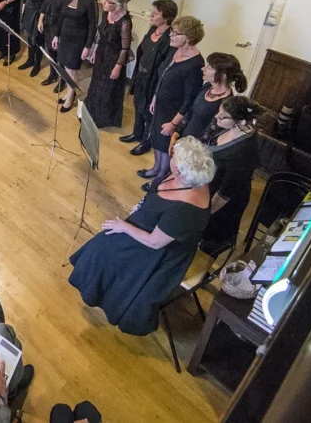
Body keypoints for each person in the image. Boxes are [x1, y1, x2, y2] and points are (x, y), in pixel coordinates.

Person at [68, 136, 214, 335]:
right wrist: (143, 206)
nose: (170, 155)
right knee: (101, 245)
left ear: (179, 171)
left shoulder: (186, 211)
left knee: (102, 252)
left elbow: (155, 242)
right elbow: (158, 196)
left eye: (174, 156)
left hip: (159, 253)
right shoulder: (188, 178)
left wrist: (124, 227)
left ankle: (104, 296)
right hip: (151, 229)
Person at [142, 16, 205, 181]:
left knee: (165, 146)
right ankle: (156, 168)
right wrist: (155, 97)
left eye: (176, 33)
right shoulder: (174, 50)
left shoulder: (195, 64)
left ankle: (161, 177)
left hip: (173, 111)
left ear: (189, 37)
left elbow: (190, 98)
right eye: (172, 32)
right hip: (161, 105)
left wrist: (174, 123)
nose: (171, 35)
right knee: (156, 139)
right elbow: (163, 75)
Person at [202, 96, 260, 252]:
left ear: (240, 121)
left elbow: (226, 193)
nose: (217, 117)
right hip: (211, 187)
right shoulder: (229, 127)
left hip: (224, 203)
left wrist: (205, 216)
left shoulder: (244, 152)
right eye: (219, 111)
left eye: (223, 116)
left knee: (210, 239)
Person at [123, 0, 179, 155]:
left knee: (148, 112)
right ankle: (137, 133)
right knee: (137, 105)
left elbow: (165, 64)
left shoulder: (168, 38)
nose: (151, 15)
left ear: (166, 17)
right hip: (141, 76)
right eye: (152, 11)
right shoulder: (152, 30)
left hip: (153, 82)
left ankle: (145, 142)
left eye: (156, 13)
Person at [51, 0, 98, 111]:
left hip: (78, 41)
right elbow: (60, 17)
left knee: (71, 69)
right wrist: (56, 35)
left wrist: (88, 46)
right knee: (65, 67)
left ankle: (70, 97)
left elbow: (93, 25)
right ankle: (69, 92)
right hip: (64, 37)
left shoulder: (90, 1)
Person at [84, 0, 133, 129]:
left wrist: (118, 66)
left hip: (114, 59)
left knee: (108, 88)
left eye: (108, 1)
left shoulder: (125, 23)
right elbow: (100, 34)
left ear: (117, 5)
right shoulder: (106, 13)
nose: (104, 3)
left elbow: (125, 48)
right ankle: (91, 113)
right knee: (96, 83)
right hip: (101, 54)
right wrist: (94, 50)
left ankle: (103, 118)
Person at [38, 0, 76, 88]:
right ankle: (52, 74)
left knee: (61, 54)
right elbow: (45, 3)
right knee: (51, 52)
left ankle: (63, 79)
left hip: (61, 27)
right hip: (49, 23)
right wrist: (40, 18)